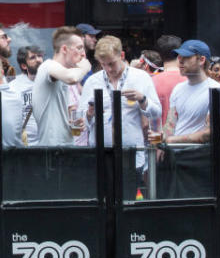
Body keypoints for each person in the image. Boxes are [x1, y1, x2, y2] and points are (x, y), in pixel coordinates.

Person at [79, 36, 160, 170]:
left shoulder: (141, 77)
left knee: (130, 190)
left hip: (131, 153)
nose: (108, 69)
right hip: (100, 154)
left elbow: (156, 113)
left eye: (111, 63)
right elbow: (82, 122)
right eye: (103, 64)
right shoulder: (92, 81)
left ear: (122, 55)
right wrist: (88, 114)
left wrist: (142, 99)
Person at [32, 26, 92, 146]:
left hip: (64, 147)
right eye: (79, 48)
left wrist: (72, 122)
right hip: (51, 151)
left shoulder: (64, 72)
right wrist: (85, 67)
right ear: (64, 49)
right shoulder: (48, 66)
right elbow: (72, 78)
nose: (83, 54)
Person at [165, 40, 220, 144]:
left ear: (201, 60)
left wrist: (174, 140)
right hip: (175, 154)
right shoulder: (178, 88)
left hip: (197, 155)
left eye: (186, 57)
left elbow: (213, 132)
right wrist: (163, 141)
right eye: (179, 56)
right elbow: (170, 124)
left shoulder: (216, 89)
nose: (180, 60)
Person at [8, 45, 44, 145]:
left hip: (49, 143)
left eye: (40, 56)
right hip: (26, 145)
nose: (38, 60)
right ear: (24, 66)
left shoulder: (50, 82)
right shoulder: (14, 86)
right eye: (33, 57)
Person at [152, 35, 186, 126]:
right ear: (180, 54)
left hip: (159, 137)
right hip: (187, 137)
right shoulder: (190, 80)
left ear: (159, 56)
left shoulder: (151, 82)